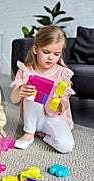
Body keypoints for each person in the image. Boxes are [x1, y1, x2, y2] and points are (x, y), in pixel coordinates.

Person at [10, 25, 75, 153]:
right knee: (32, 89)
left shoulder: (63, 74)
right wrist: (20, 90)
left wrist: (61, 102)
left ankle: (42, 135)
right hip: (33, 119)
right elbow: (13, 99)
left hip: (54, 118)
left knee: (65, 146)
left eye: (56, 54)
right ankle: (29, 133)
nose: (51, 58)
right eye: (46, 52)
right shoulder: (26, 70)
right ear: (35, 49)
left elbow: (64, 104)